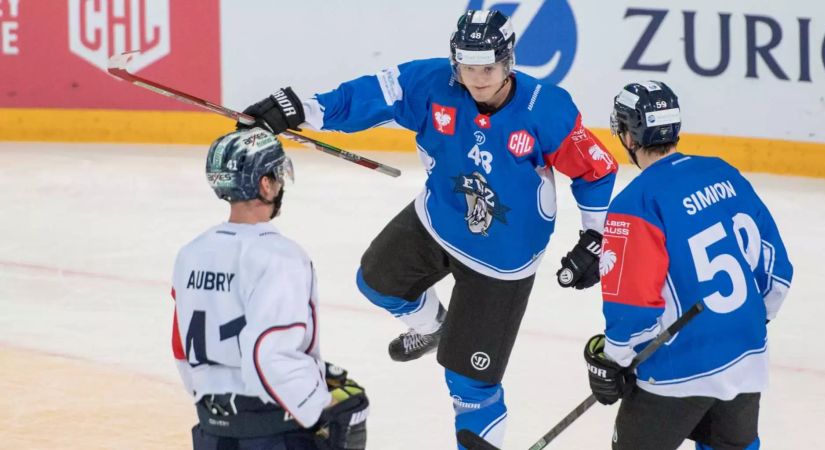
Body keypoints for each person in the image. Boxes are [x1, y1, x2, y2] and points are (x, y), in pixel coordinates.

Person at [238, 9, 618, 449]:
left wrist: (595, 234)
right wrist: (300, 108)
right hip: (439, 219)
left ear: (509, 61)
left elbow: (596, 170)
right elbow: (367, 96)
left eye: (488, 69)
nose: (477, 79)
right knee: (376, 280)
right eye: (467, 67)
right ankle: (433, 324)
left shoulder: (545, 107)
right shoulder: (431, 83)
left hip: (504, 257)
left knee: (469, 388)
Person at [582, 81, 794, 449]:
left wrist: (615, 360)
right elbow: (777, 272)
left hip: (677, 368)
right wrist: (744, 323)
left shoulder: (635, 202)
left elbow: (632, 305)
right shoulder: (723, 172)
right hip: (746, 355)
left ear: (629, 137)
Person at [170, 128, 369, 450]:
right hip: (273, 429)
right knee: (350, 405)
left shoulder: (191, 252)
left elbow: (181, 346)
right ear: (265, 184)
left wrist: (213, 398)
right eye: (276, 175)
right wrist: (316, 406)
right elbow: (270, 353)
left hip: (212, 427)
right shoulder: (280, 256)